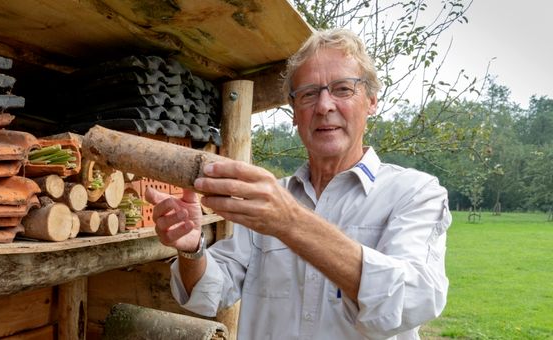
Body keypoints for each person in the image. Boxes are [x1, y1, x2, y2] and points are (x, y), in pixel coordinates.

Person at [144, 28, 451, 339]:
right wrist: (192, 250)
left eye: (343, 89)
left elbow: (414, 299)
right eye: (308, 93)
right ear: (294, 112)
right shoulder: (269, 200)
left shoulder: (415, 192)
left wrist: (289, 221)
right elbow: (211, 292)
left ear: (371, 101)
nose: (324, 106)